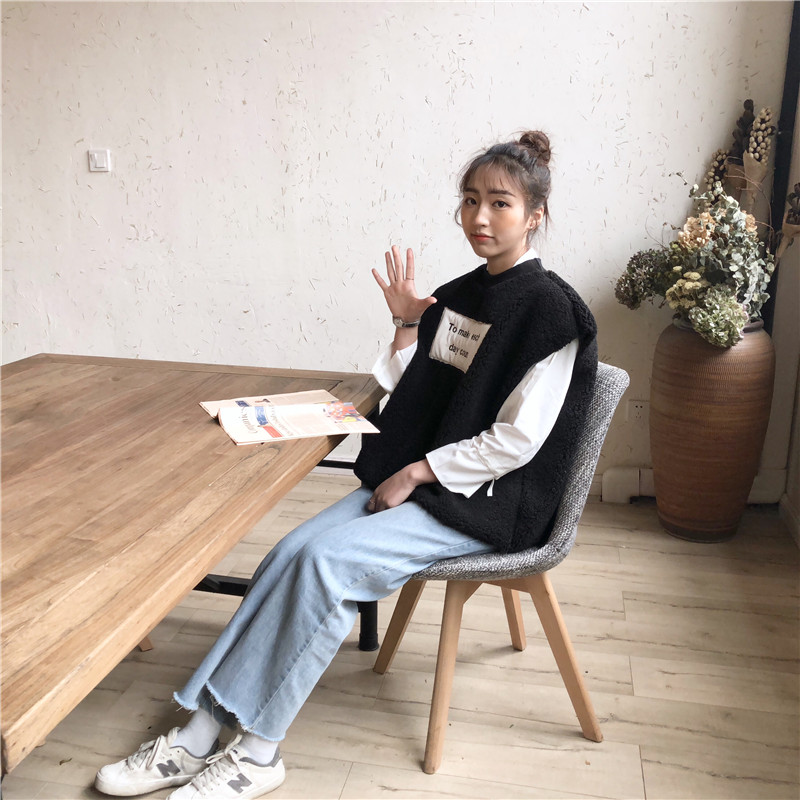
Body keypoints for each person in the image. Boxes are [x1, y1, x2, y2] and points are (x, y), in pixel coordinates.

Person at [94, 130, 597, 800]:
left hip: (484, 501)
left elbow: (518, 441)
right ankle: (197, 734)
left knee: (326, 566)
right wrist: (407, 325)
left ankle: (259, 753)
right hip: (426, 482)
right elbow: (415, 392)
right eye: (470, 199)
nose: (479, 216)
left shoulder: (552, 311)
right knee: (289, 553)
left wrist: (416, 472)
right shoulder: (461, 294)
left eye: (500, 203)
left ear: (534, 215)